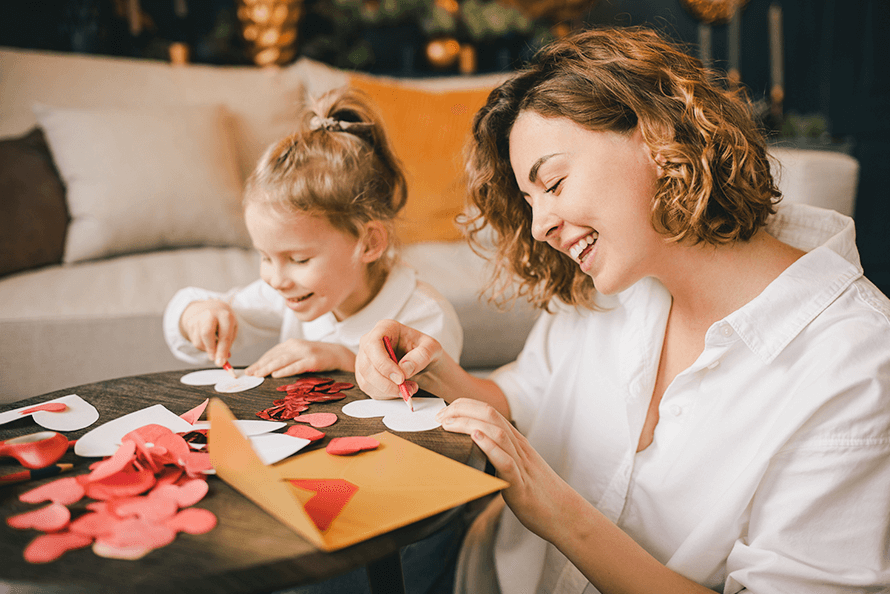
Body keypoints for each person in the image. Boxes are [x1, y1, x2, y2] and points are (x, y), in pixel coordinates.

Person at [355, 26, 890, 594]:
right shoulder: (617, 276)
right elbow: (529, 395)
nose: (539, 227)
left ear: (657, 134)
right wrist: (436, 371)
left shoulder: (853, 365)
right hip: (474, 568)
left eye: (554, 182)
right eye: (530, 201)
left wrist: (557, 511)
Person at [163, 86, 463, 378]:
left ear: (369, 243)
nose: (275, 280)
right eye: (265, 257)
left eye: (299, 260)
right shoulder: (290, 293)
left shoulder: (424, 317)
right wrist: (196, 317)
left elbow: (429, 406)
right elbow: (186, 315)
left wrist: (342, 358)